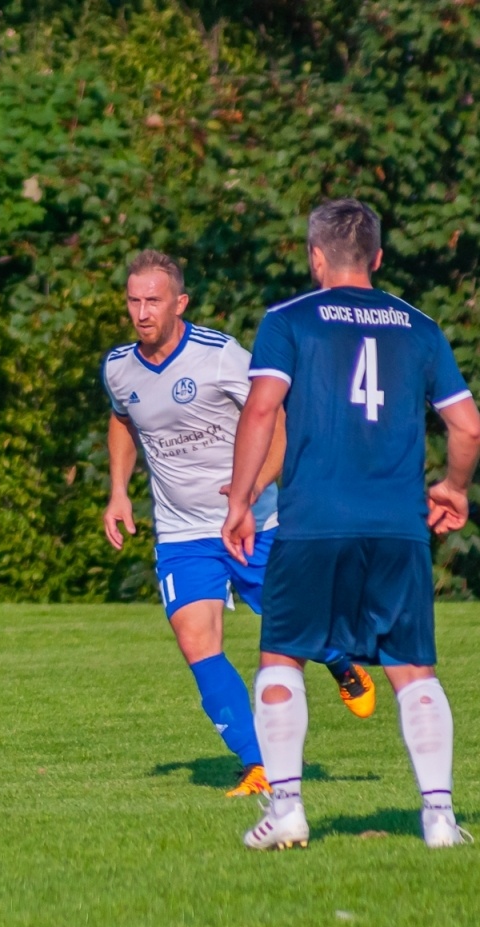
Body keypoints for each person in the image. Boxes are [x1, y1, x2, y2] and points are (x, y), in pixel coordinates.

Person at [223, 199, 480, 850]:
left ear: (315, 257)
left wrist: (242, 499)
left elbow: (260, 413)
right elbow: (468, 425)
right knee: (411, 666)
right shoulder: (419, 326)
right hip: (397, 525)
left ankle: (286, 811)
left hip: (313, 521)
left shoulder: (288, 321)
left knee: (282, 655)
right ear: (378, 258)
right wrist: (452, 487)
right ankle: (441, 819)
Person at [102, 251, 375, 799]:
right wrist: (117, 492)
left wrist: (251, 491)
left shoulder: (219, 355)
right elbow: (122, 418)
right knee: (195, 640)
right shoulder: (119, 366)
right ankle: (259, 764)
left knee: (294, 622)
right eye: (133, 300)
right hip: (181, 533)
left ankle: (342, 662)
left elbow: (275, 415)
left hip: (253, 520)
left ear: (180, 303)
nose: (141, 311)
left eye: (153, 300)